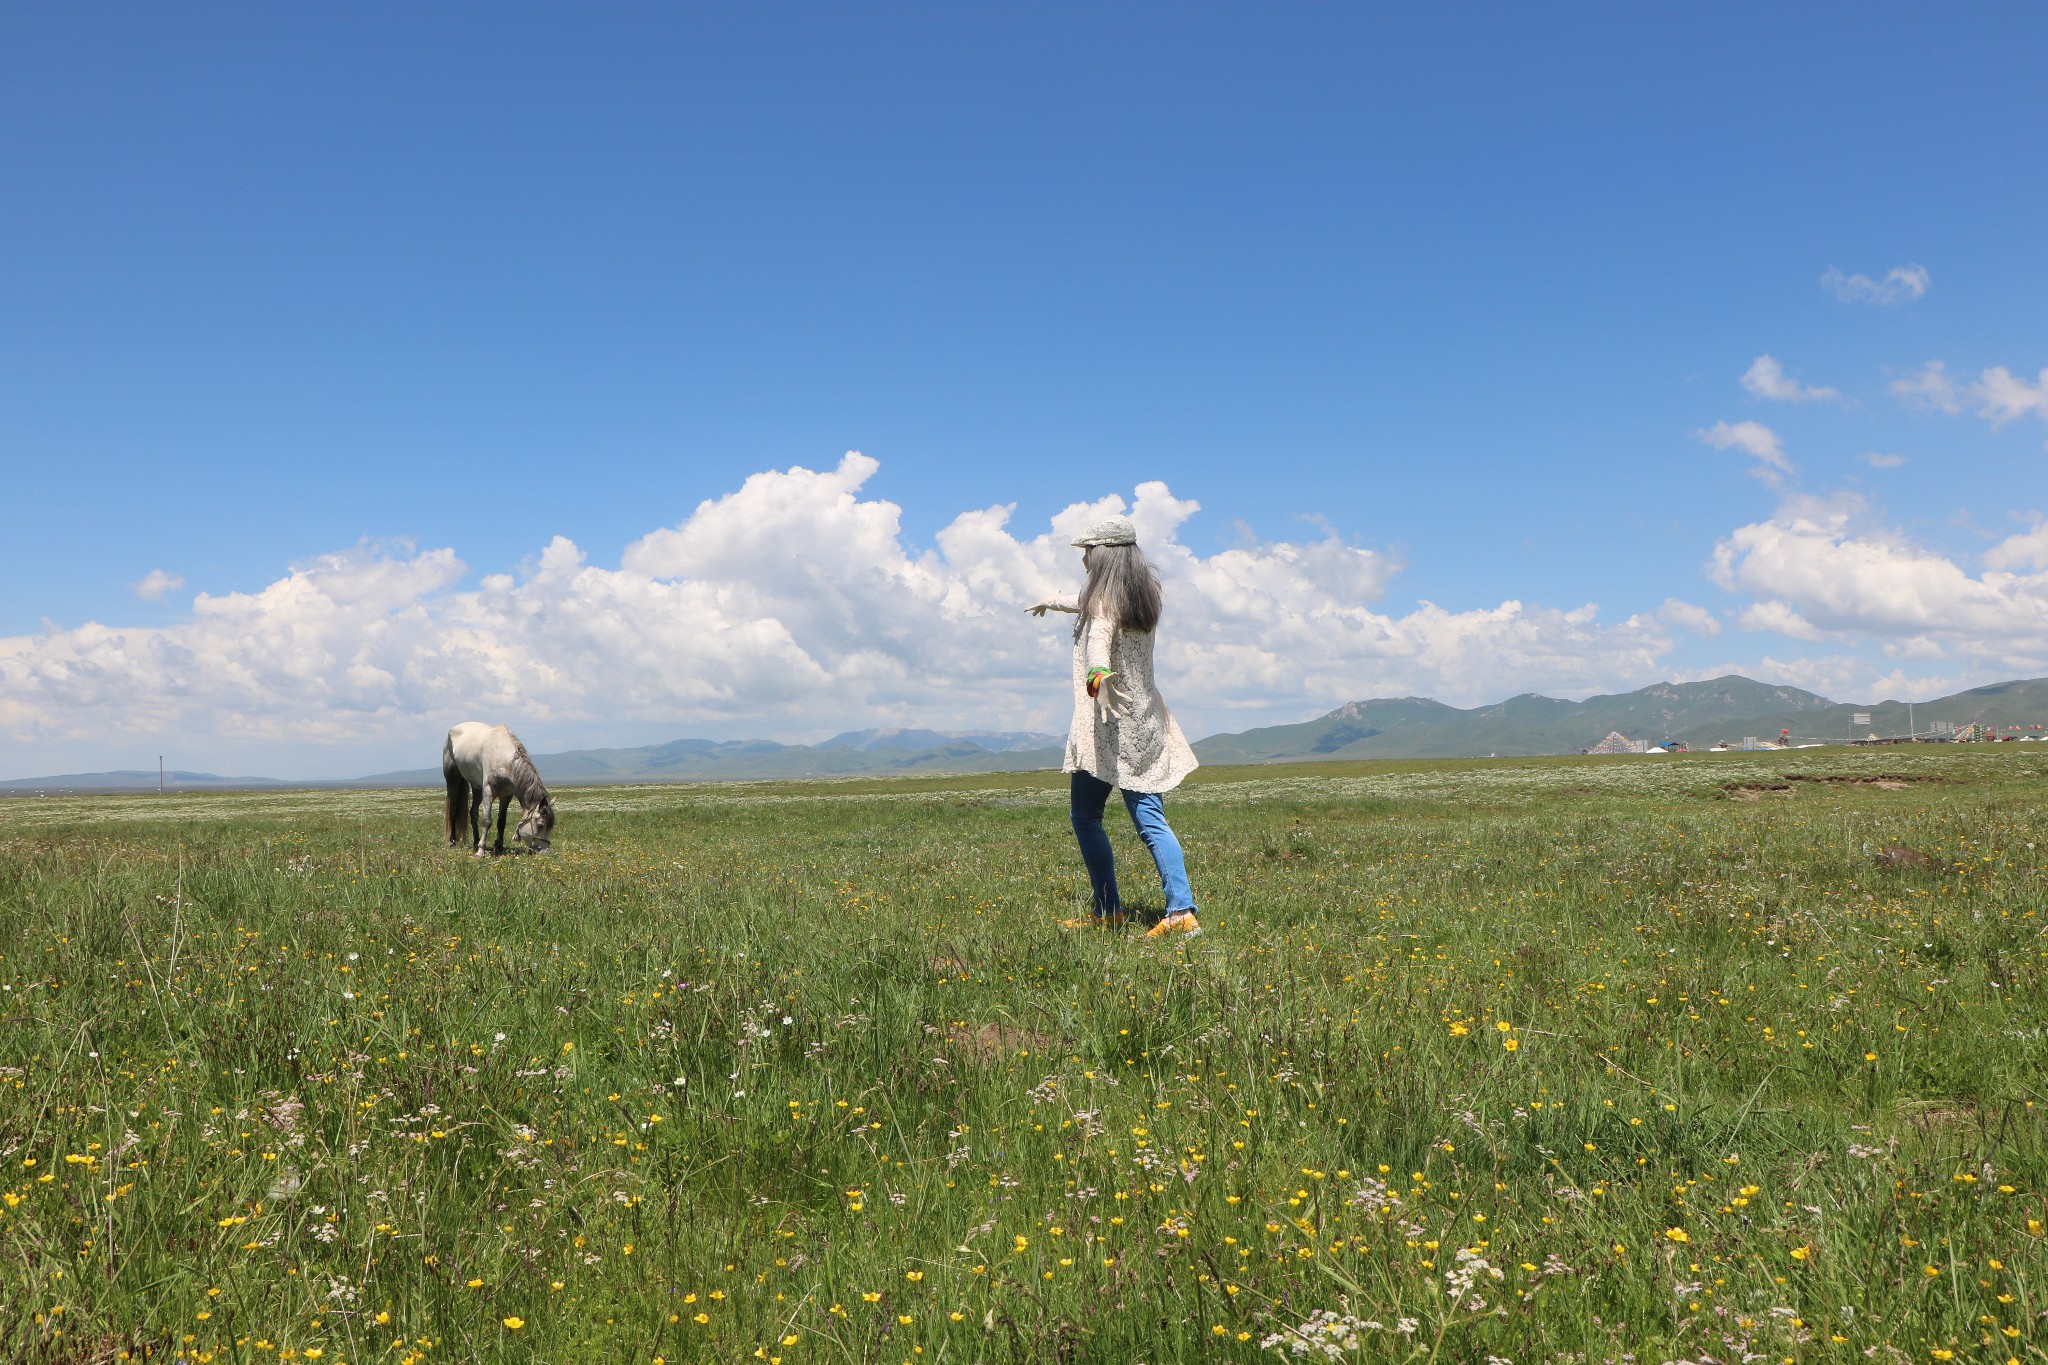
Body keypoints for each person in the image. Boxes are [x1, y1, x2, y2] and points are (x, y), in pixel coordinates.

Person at [1029, 514, 1201, 937]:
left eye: (1088, 551)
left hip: (1109, 730)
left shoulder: (1106, 605)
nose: (1084, 558)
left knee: (1096, 818)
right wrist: (1052, 599)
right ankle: (1119, 910)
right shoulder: (1142, 595)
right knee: (1136, 818)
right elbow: (1085, 602)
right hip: (1144, 724)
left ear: (1103, 554)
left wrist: (1098, 675)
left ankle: (1175, 914)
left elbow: (1099, 641)